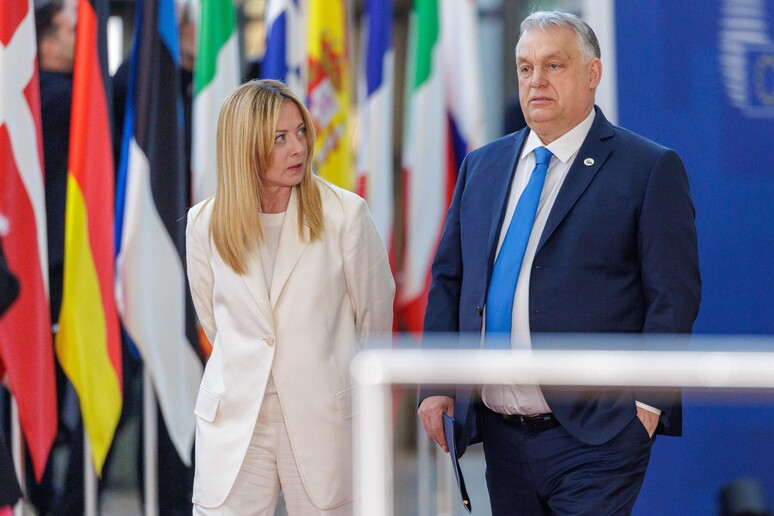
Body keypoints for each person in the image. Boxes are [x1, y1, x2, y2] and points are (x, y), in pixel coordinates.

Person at [418, 10, 700, 515]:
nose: (537, 81)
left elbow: (673, 295)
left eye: (554, 65)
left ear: (592, 73)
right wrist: (437, 384)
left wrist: (647, 405)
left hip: (600, 437)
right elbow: (450, 280)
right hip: (502, 438)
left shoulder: (648, 168)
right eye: (526, 68)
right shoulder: (483, 165)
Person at [186, 79, 394, 515]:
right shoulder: (204, 223)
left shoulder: (346, 215)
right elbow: (213, 320)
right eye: (280, 138)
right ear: (244, 147)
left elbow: (375, 320)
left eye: (300, 132)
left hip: (324, 418)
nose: (298, 148)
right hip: (235, 420)